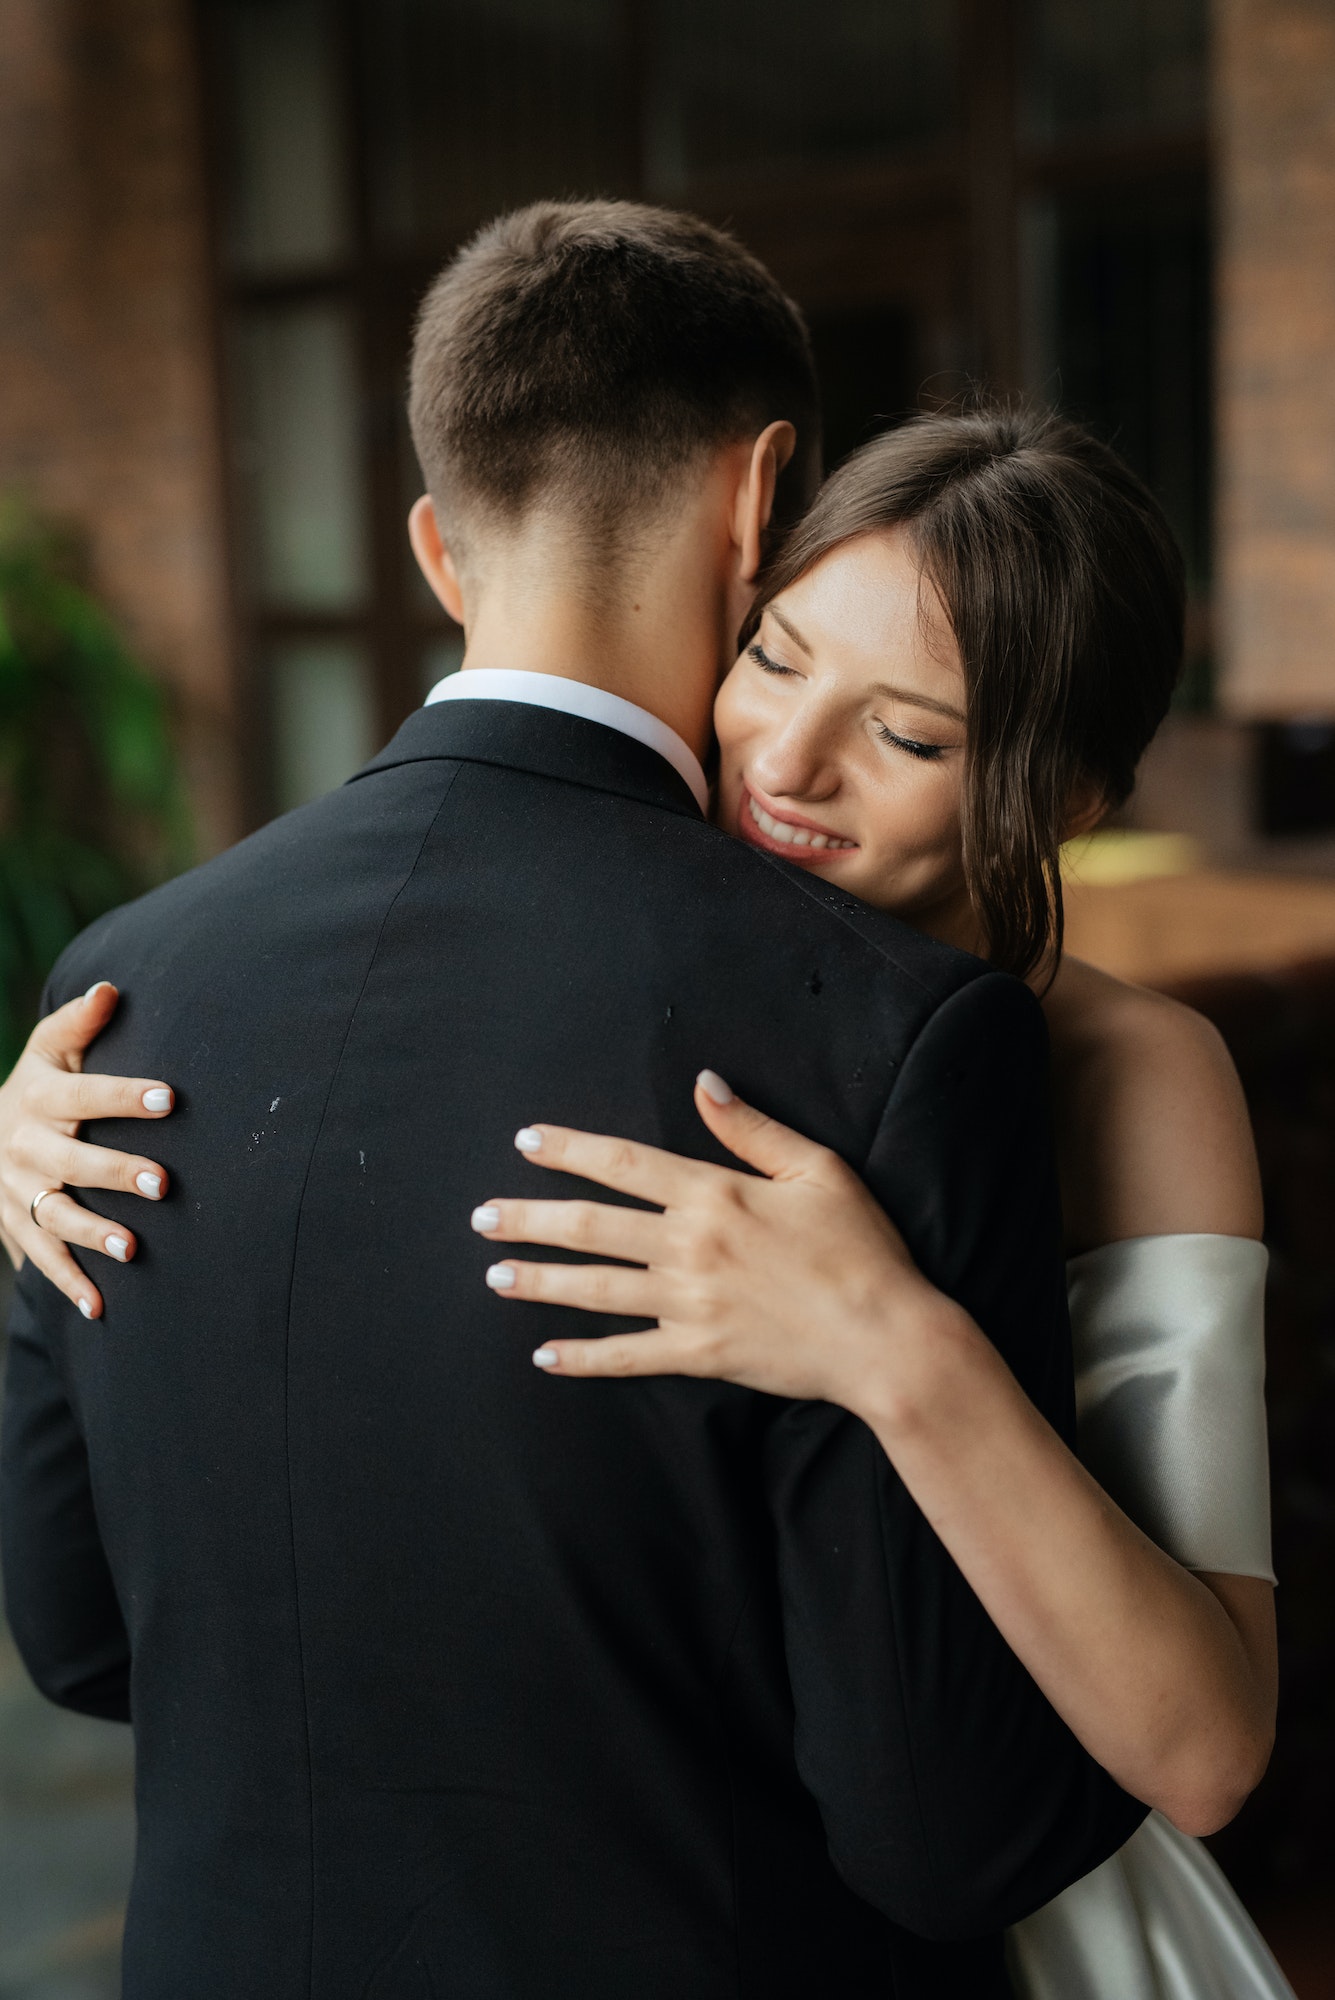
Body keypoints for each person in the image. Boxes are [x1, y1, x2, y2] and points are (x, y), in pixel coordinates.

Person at [4, 406, 1290, 2000]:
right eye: (774, 657)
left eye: (910, 736)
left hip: (1011, 1916)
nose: (790, 761)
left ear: (1067, 797)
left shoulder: (1135, 1072)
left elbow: (1211, 1749)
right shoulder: (619, 970)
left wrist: (897, 1345)